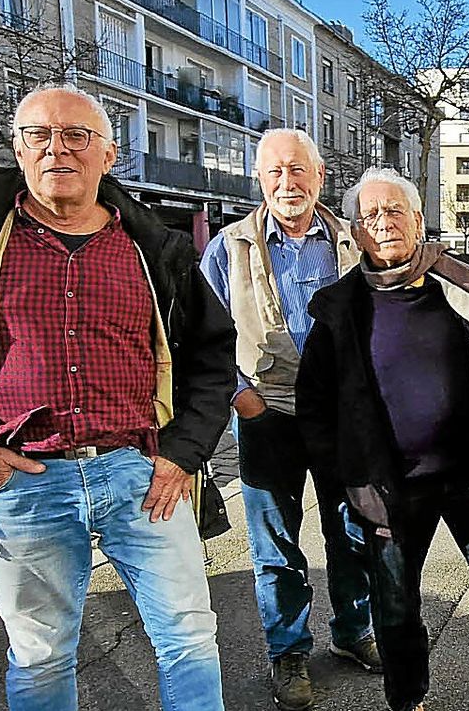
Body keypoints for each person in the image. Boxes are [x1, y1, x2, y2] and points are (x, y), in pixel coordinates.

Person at [0, 83, 235, 710]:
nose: (58, 148)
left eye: (77, 135)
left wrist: (184, 451)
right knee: (40, 654)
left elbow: (211, 357)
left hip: (142, 475)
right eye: (40, 134)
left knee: (190, 636)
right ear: (18, 148)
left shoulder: (154, 248)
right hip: (24, 480)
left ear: (109, 155)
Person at [297, 168, 469, 711]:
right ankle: (408, 700)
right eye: (370, 215)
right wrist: (348, 478)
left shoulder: (462, 289)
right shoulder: (337, 310)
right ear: (355, 232)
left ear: (419, 220)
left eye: (395, 210)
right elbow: (315, 408)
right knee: (395, 607)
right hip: (389, 490)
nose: (384, 222)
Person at [199, 128, 376, 710]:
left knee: (351, 532)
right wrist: (238, 394)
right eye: (274, 171)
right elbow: (202, 335)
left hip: (340, 416)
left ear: (320, 176)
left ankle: (353, 634)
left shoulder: (354, 242)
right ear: (259, 178)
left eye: (298, 170)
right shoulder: (229, 246)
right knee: (274, 543)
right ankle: (289, 650)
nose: (286, 181)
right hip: (267, 414)